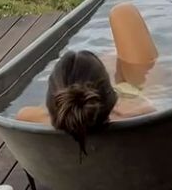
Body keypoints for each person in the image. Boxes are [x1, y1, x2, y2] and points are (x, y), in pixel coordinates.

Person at [16, 48, 155, 152]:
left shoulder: (26, 118)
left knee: (113, 57)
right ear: (109, 97)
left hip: (65, 180)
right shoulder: (141, 114)